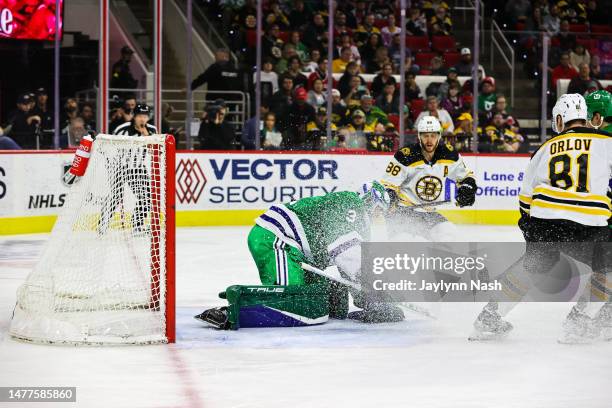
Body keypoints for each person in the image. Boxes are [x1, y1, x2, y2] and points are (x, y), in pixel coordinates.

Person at [472, 93, 612, 343]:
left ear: (561, 119)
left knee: (533, 265)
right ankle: (578, 323)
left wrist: (531, 231)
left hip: (544, 219)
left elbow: (526, 197)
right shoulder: (605, 142)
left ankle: (488, 318)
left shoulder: (545, 148)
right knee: (608, 267)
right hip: (587, 221)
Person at [194, 182, 400, 329]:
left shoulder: (354, 214)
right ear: (371, 202)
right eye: (378, 210)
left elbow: (348, 268)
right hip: (276, 240)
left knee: (331, 303)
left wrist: (372, 303)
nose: (378, 216)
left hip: (298, 252)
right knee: (298, 305)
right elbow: (347, 252)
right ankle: (228, 312)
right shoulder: (351, 204)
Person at [380, 115, 477, 241]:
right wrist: (390, 199)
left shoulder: (449, 154)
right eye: (425, 135)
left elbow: (467, 176)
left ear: (439, 136)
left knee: (450, 235)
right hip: (403, 211)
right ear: (419, 136)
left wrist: (467, 189)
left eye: (433, 135)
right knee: (404, 245)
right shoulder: (405, 156)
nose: (429, 140)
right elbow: (388, 185)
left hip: (430, 213)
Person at [98, 104, 158, 235]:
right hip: (120, 167)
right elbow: (109, 146)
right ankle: (102, 225)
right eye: (140, 116)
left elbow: (157, 152)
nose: (143, 119)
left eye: (145, 116)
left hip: (137, 167)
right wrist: (111, 165)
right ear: (134, 116)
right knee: (115, 196)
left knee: (148, 195)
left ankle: (137, 225)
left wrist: (146, 135)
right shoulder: (122, 129)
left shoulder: (152, 130)